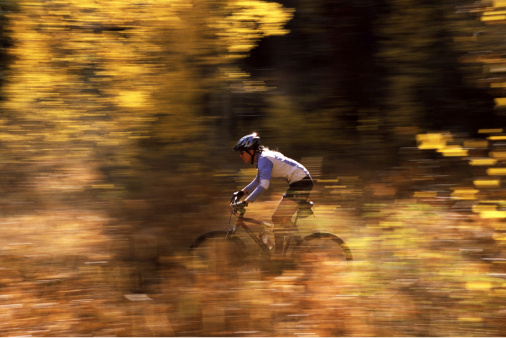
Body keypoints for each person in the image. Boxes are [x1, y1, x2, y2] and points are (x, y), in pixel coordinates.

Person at [231, 132, 313, 255]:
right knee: (280, 219)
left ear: (251, 151)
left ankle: (295, 251)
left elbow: (264, 185)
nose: (241, 156)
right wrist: (242, 192)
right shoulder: (262, 158)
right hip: (299, 182)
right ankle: (286, 252)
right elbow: (258, 180)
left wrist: (246, 202)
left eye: (242, 152)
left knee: (278, 218)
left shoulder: (263, 159)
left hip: (301, 182)